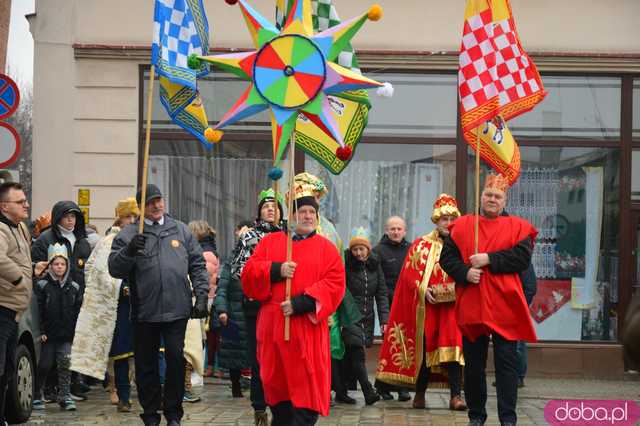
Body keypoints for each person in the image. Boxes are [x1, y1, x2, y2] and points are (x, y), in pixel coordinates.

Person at [241, 179, 345, 425]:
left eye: (311, 212)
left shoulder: (327, 249)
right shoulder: (270, 243)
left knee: (305, 397)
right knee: (278, 394)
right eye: (302, 212)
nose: (307, 216)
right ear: (292, 215)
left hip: (306, 332)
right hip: (274, 329)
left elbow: (336, 283)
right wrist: (276, 270)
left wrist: (303, 302)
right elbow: (248, 276)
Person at [108, 184, 209, 426]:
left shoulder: (180, 230)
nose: (156, 205)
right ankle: (150, 413)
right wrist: (130, 251)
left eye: (159, 200)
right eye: (151, 201)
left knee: (175, 359)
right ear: (141, 207)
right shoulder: (129, 234)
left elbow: (197, 264)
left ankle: (173, 413)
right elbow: (114, 268)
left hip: (177, 309)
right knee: (146, 366)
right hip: (144, 311)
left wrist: (202, 295)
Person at [440, 174, 537, 426]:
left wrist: (489, 259)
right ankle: (477, 416)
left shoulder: (518, 227)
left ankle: (508, 419)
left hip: (505, 305)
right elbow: (447, 259)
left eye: (497, 196)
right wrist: (464, 272)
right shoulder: (463, 226)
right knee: (473, 366)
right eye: (488, 195)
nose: (492, 199)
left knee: (507, 365)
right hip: (474, 303)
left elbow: (521, 258)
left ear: (505, 201)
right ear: (481, 197)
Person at [376, 194, 467, 411]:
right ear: (436, 220)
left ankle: (456, 396)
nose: (447, 222)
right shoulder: (421, 245)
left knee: (454, 350)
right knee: (425, 351)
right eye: (443, 218)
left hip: (453, 309)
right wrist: (423, 290)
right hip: (426, 310)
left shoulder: (464, 244)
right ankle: (420, 394)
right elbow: (409, 274)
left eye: (451, 218)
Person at [70, 198, 140, 413]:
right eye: (129, 216)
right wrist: (119, 287)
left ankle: (151, 394)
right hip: (119, 306)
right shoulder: (109, 241)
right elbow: (98, 271)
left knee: (147, 352)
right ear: (120, 217)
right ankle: (123, 395)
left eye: (135, 217)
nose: (132, 221)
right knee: (121, 354)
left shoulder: (142, 237)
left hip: (142, 305)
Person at [231, 189, 285, 426]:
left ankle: (281, 406)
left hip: (283, 306)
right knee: (259, 359)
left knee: (281, 359)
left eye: (275, 205)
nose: (270, 209)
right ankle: (260, 407)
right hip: (256, 307)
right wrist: (270, 272)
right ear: (259, 211)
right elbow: (238, 270)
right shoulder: (249, 237)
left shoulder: (289, 237)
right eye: (266, 206)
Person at [31, 200, 92, 399]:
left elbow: (88, 270)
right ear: (58, 218)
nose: (70, 220)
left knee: (72, 344)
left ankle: (71, 385)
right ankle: (48, 387)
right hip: (52, 299)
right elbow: (37, 270)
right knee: (50, 349)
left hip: (76, 299)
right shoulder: (45, 239)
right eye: (66, 216)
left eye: (74, 216)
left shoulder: (82, 240)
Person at [0, 182, 38, 425]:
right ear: (4, 206)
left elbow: (21, 260)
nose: (26, 204)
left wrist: (35, 270)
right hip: (2, 309)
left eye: (25, 200)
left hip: (15, 311)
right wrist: (19, 278)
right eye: (20, 201)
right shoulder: (1, 229)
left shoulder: (21, 228)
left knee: (7, 371)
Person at [340, 227, 388, 406]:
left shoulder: (375, 266)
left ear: (368, 249)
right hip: (349, 316)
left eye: (362, 249)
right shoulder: (346, 265)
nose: (359, 253)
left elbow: (381, 294)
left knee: (350, 356)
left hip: (368, 318)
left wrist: (384, 320)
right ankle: (368, 392)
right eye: (355, 249)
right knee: (358, 353)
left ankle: (341, 390)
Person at [33, 243, 83, 411]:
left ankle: (65, 395)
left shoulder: (74, 287)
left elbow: (77, 311)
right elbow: (38, 310)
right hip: (48, 334)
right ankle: (38, 394)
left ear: (67, 266)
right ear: (50, 266)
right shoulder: (42, 286)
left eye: (62, 264)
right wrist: (41, 330)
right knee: (44, 365)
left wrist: (77, 331)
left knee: (65, 364)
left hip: (66, 334)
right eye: (56, 264)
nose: (59, 267)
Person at [372, 215, 411, 402]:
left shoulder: (412, 250)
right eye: (392, 229)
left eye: (399, 229)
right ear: (387, 230)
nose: (396, 232)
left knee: (406, 346)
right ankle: (382, 386)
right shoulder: (378, 251)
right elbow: (377, 285)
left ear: (405, 231)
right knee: (389, 347)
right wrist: (383, 317)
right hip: (388, 304)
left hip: (408, 304)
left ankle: (403, 386)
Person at [187, 221, 219, 381]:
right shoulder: (208, 250)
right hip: (206, 297)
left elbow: (201, 279)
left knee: (199, 336)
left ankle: (196, 372)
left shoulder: (205, 254)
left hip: (202, 298)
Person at [213, 263, 249, 398]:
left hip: (252, 314)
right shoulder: (231, 267)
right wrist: (222, 310)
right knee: (234, 353)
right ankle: (236, 385)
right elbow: (221, 290)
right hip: (234, 316)